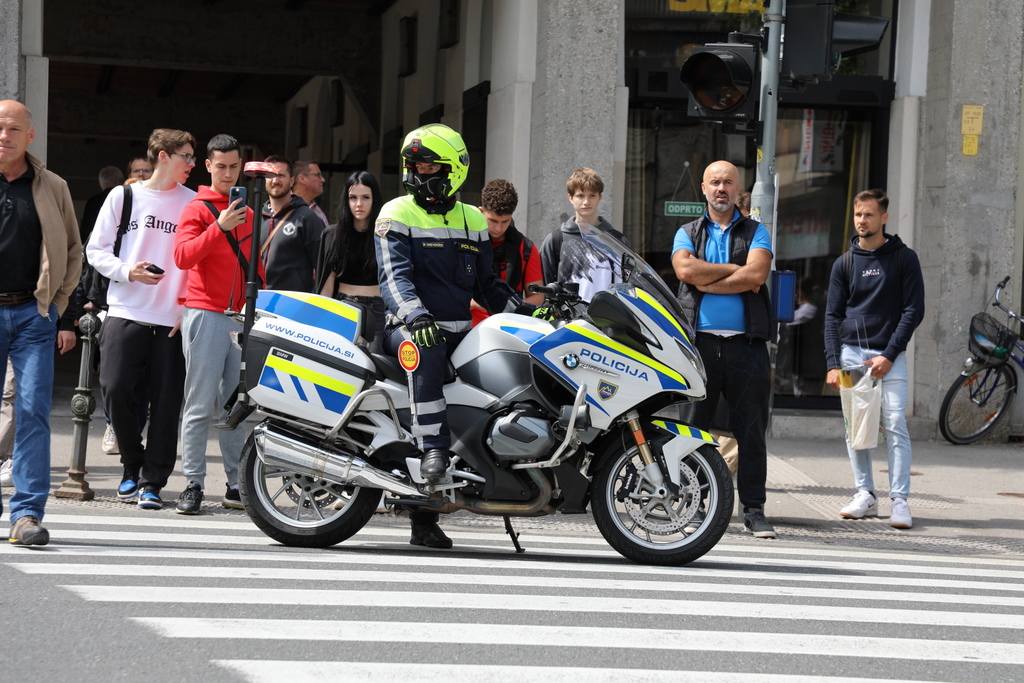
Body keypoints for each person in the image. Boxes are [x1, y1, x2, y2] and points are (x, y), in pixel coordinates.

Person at [376, 123, 522, 549]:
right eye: (413, 165)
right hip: (406, 330)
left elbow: (488, 286)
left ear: (455, 169)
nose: (417, 173)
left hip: (459, 332)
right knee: (426, 347)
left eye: (428, 165)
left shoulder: (474, 220)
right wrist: (416, 317)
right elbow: (393, 279)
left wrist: (529, 315)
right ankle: (432, 452)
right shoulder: (395, 213)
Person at [87, 128, 196, 511]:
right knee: (115, 389)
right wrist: (128, 271)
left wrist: (187, 309)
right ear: (163, 156)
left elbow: (199, 262)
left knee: (167, 404)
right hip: (125, 309)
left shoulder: (193, 202)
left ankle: (153, 481)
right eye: (186, 156)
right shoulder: (124, 196)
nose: (192, 164)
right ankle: (131, 463)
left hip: (172, 317)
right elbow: (95, 250)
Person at [672, 160, 776, 539]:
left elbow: (757, 275)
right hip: (699, 346)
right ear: (703, 188)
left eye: (728, 183)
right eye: (714, 182)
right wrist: (733, 271)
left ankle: (754, 510)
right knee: (692, 430)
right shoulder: (687, 232)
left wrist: (709, 277)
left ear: (737, 189)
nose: (721, 188)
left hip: (747, 347)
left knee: (751, 433)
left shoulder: (757, 231)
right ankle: (693, 505)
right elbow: (685, 273)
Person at [0, 100, 82, 545]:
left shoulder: (52, 186)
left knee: (33, 412)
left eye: (13, 128)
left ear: (30, 136)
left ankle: (27, 514)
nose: (3, 136)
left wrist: (56, 303)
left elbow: (73, 248)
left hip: (32, 314)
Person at [825, 188, 925, 529]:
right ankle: (865, 494)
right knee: (857, 427)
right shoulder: (845, 263)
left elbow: (914, 310)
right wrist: (832, 362)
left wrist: (890, 354)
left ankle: (900, 500)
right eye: (858, 215)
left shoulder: (903, 258)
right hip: (852, 354)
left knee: (895, 424)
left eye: (868, 214)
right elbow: (832, 316)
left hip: (890, 356)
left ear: (884, 217)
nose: (862, 221)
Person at [173, 133, 262, 515]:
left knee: (236, 406)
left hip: (240, 317)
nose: (227, 174)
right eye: (220, 166)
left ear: (241, 166)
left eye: (233, 166)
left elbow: (255, 268)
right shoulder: (196, 208)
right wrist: (220, 226)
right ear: (208, 166)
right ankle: (192, 483)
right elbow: (181, 256)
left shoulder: (251, 212)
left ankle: (235, 484)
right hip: (205, 312)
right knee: (198, 404)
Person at [315, 170, 387, 353]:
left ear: (374, 200)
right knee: (341, 366)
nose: (359, 204)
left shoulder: (385, 236)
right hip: (343, 306)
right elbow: (326, 286)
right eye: (353, 198)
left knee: (375, 365)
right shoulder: (332, 235)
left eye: (365, 197)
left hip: (378, 309)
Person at [539, 167, 627, 301]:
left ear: (600, 197)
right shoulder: (556, 240)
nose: (586, 202)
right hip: (568, 320)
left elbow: (627, 286)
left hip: (609, 319)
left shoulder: (617, 241)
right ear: (570, 198)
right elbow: (545, 290)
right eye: (580, 195)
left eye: (592, 195)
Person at [470, 178, 545, 326]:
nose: (498, 228)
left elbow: (537, 297)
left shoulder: (526, 248)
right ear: (481, 210)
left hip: (510, 329)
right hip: (469, 330)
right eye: (492, 220)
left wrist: (510, 308)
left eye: (505, 222)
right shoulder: (465, 243)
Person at [261, 155, 325, 292]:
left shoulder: (307, 218)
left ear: (291, 181)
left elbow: (324, 269)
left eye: (281, 176)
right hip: (259, 304)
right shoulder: (256, 219)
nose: (275, 180)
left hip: (293, 306)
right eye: (271, 175)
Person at [292, 160, 329, 227]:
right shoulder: (285, 208)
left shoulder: (317, 210)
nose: (323, 180)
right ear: (302, 178)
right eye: (317, 175)